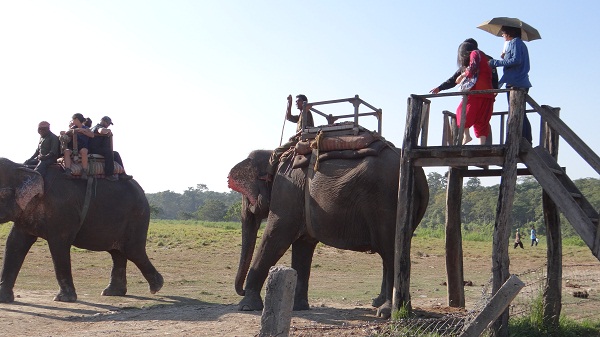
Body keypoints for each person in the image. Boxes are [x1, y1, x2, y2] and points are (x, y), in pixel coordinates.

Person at [487, 26, 533, 145]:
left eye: (503, 33)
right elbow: (515, 60)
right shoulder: (519, 43)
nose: (502, 35)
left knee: (516, 112)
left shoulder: (514, 42)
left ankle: (520, 140)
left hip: (516, 83)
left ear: (508, 33)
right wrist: (505, 56)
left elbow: (516, 60)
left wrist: (495, 62)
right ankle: (526, 139)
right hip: (520, 81)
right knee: (520, 112)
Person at [261, 94, 314, 182]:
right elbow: (288, 117)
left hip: (301, 139)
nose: (296, 103)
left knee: (277, 151)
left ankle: (269, 174)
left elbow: (307, 128)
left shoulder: (306, 113)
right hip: (298, 138)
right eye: (296, 101)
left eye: (298, 101)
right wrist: (290, 103)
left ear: (304, 102)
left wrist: (295, 135)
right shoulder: (301, 114)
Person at [454, 41, 495, 145]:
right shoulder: (486, 57)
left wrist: (462, 76)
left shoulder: (475, 53)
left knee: (461, 111)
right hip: (488, 92)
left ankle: (466, 135)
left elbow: (473, 67)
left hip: (477, 91)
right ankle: (482, 143)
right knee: (482, 119)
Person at [88, 116, 132, 181]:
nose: (108, 125)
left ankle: (122, 173)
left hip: (99, 149)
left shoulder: (99, 127)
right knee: (108, 151)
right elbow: (101, 131)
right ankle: (109, 174)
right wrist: (108, 131)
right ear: (102, 121)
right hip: (94, 149)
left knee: (116, 154)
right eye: (107, 123)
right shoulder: (98, 127)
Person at [62, 113, 94, 179]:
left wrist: (83, 131)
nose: (72, 121)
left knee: (84, 151)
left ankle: (84, 171)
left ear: (76, 119)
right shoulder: (73, 128)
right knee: (66, 151)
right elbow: (67, 133)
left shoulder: (86, 128)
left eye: (73, 120)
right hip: (72, 147)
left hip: (82, 147)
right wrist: (75, 130)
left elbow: (92, 135)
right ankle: (68, 170)